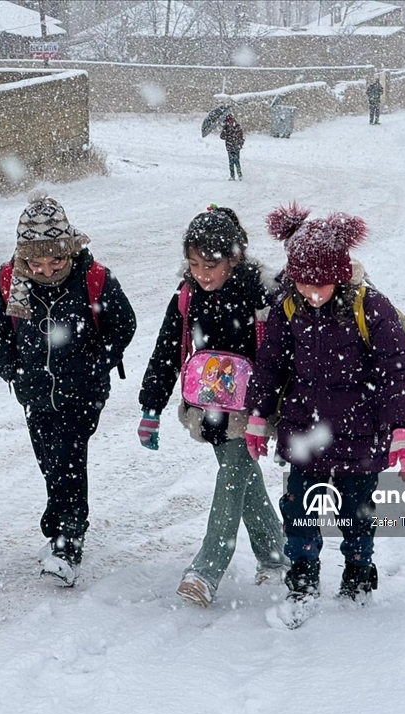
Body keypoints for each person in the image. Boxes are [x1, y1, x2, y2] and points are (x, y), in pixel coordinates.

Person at [244, 203, 405, 619]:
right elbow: (270, 364)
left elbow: (397, 371)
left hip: (360, 435)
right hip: (304, 431)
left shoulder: (371, 308)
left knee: (355, 512)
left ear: (340, 275)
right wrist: (257, 416)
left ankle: (358, 575)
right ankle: (302, 580)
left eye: (321, 284)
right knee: (299, 511)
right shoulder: (289, 307)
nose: (312, 292)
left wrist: (403, 429)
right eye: (304, 283)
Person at [0, 193, 136, 587]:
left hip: (82, 391)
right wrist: (10, 366)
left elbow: (125, 325)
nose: (46, 270)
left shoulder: (94, 278)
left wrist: (95, 363)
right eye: (36, 262)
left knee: (68, 454)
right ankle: (58, 517)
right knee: (48, 457)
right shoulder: (9, 281)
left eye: (56, 261)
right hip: (33, 390)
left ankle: (69, 539)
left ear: (70, 250)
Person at [138, 205, 288, 606]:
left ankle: (207, 568)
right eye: (193, 263)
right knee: (240, 474)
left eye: (210, 264)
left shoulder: (261, 291)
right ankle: (276, 556)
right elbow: (167, 350)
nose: (202, 273)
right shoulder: (187, 295)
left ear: (235, 257)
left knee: (234, 471)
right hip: (209, 405)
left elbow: (284, 349)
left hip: (252, 405)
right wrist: (150, 407)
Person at [219, 113, 244, 181]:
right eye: (228, 121)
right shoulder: (226, 128)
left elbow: (241, 137)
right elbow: (221, 137)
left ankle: (240, 175)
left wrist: (240, 144)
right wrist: (225, 131)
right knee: (231, 162)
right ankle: (232, 176)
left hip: (236, 147)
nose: (229, 123)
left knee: (236, 161)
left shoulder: (237, 127)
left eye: (230, 121)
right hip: (229, 147)